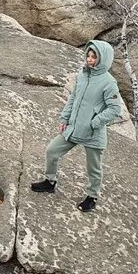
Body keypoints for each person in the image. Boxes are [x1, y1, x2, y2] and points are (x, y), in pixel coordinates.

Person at [30, 40, 123, 212]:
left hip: (93, 133)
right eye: (88, 55)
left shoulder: (109, 82)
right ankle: (50, 182)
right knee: (52, 150)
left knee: (93, 168)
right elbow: (73, 98)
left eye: (94, 57)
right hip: (74, 127)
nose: (89, 59)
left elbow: (115, 109)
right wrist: (65, 119)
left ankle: (92, 197)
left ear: (104, 59)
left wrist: (95, 122)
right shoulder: (82, 75)